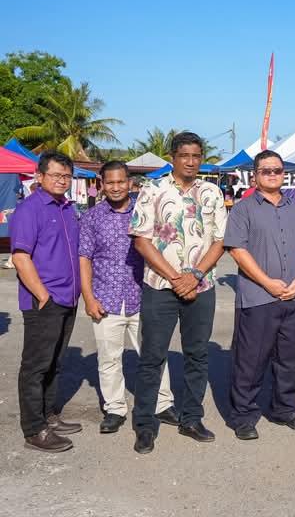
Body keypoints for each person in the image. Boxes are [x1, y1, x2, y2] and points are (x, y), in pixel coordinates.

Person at [129, 131, 227, 454]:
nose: (190, 161)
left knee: (197, 355)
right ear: (173, 157)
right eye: (184, 155)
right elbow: (141, 240)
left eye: (196, 155)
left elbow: (219, 241)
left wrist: (195, 275)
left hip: (202, 287)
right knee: (153, 356)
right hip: (160, 287)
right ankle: (145, 424)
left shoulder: (212, 192)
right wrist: (175, 277)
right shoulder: (152, 190)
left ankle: (191, 418)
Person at [79, 161, 175, 435]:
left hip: (143, 296)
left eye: (121, 181)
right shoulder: (91, 218)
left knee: (154, 353)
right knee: (109, 359)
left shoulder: (144, 213)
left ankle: (162, 403)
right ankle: (115, 408)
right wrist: (89, 298)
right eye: (110, 182)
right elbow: (84, 259)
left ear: (130, 183)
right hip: (105, 298)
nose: (116, 187)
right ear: (101, 184)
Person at [224, 150, 295, 440]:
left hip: (294, 296)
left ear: (284, 173)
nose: (272, 174)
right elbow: (238, 250)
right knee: (251, 359)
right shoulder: (243, 209)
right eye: (266, 170)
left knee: (290, 359)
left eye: (277, 170)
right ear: (255, 175)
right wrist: (267, 282)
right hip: (259, 296)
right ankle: (244, 415)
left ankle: (285, 408)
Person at [12, 152, 82, 452]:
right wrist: (42, 294)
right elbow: (20, 256)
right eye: (55, 175)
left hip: (68, 297)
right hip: (44, 300)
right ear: (39, 176)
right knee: (36, 365)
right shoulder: (30, 209)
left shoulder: (67, 208)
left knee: (55, 361)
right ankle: (34, 429)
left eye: (66, 176)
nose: (61, 180)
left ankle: (49, 415)